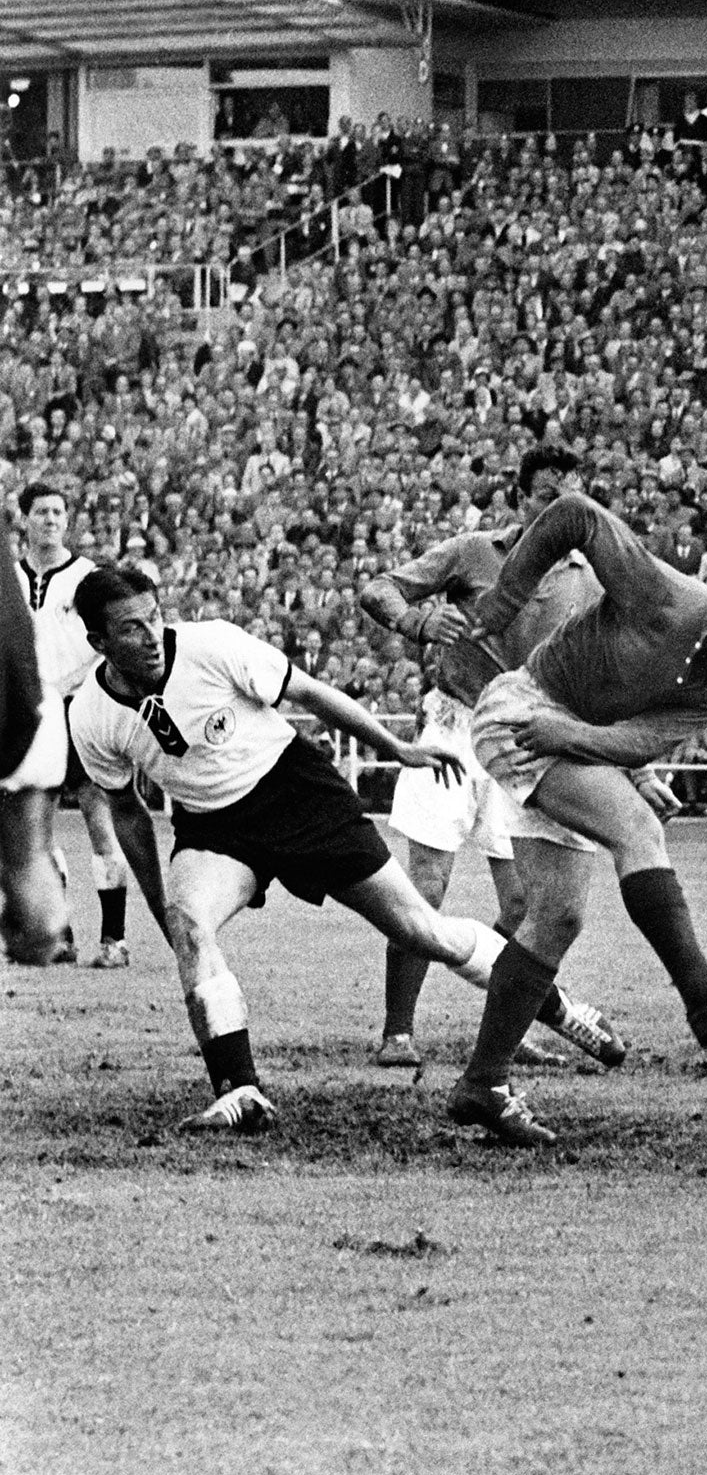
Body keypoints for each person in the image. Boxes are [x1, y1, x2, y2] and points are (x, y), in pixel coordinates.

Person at [66, 566, 512, 1134]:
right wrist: (160, 906)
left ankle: (556, 1004)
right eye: (131, 629)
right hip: (214, 827)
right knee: (189, 922)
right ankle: (239, 1090)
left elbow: (309, 692)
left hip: (296, 793)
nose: (152, 635)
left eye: (154, 617)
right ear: (98, 643)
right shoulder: (89, 713)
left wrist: (396, 747)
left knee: (421, 932)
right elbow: (126, 809)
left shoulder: (213, 644)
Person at [453, 491, 707, 1146]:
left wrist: (567, 736)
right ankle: (704, 993)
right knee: (637, 829)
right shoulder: (668, 599)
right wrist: (507, 597)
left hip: (561, 733)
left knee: (556, 919)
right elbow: (574, 513)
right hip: (521, 708)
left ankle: (482, 1086)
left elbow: (637, 744)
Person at [358, 447, 625, 1072]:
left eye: (572, 500)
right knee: (423, 887)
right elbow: (380, 588)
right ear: (520, 498)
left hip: (523, 742)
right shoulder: (476, 552)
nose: (559, 511)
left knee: (529, 908)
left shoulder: (591, 575)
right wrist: (418, 621)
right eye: (546, 497)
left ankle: (505, 1033)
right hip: (453, 731)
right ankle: (398, 1033)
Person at [10, 482, 131, 967]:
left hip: (81, 705)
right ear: (24, 519)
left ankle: (115, 939)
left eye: (59, 511)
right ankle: (59, 937)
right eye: (41, 511)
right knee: (38, 826)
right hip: (31, 710)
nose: (52, 519)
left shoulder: (87, 577)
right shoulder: (10, 578)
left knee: (99, 815)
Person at [1, 515, 66, 964]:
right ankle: (40, 931)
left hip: (24, 705)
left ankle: (37, 929)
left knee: (26, 856)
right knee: (27, 853)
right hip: (36, 710)